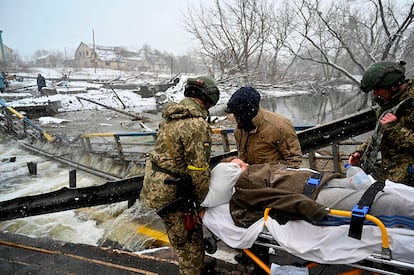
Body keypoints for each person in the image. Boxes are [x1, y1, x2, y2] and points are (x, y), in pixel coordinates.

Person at [139, 76, 220, 275]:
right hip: (175, 191)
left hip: (157, 185)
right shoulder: (196, 124)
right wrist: (203, 200)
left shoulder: (171, 117)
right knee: (189, 241)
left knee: (179, 236)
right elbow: (198, 169)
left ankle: (195, 265)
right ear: (207, 100)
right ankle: (192, 269)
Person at [204, 158, 414, 230]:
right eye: (239, 164)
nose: (245, 163)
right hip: (313, 197)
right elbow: (275, 199)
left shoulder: (259, 170)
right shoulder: (244, 185)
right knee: (386, 204)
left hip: (321, 181)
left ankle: (354, 177)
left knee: (374, 189)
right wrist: (308, 208)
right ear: (229, 172)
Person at [348, 61, 414, 186]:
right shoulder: (388, 103)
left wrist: (394, 129)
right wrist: (361, 151)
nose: (375, 94)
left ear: (393, 86)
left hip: (409, 184)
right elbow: (381, 133)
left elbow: (390, 130)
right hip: (391, 180)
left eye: (377, 89)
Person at [225, 86, 302, 168]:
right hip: (249, 177)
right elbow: (242, 156)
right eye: (235, 114)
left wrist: (272, 177)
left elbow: (294, 162)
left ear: (249, 112)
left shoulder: (279, 126)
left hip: (273, 178)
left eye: (238, 114)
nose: (236, 118)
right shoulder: (240, 129)